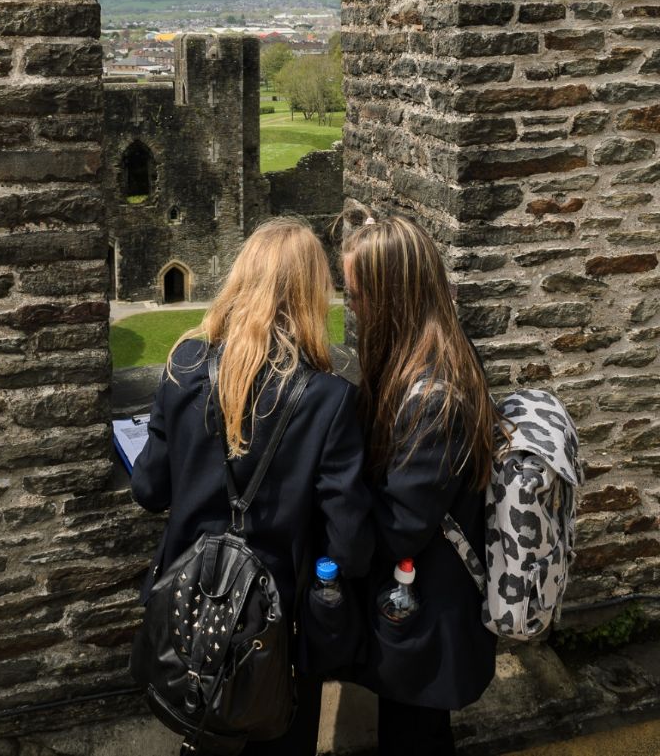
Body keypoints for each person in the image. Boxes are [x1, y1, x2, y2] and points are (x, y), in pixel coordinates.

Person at [131, 216, 375, 756]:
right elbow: (350, 541)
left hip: (190, 609)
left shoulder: (185, 365)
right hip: (279, 627)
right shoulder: (329, 399)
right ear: (313, 293)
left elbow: (149, 489)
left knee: (202, 737)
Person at [343, 212, 498, 756]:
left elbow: (401, 528)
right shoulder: (430, 358)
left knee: (416, 739)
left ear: (390, 299)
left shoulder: (433, 394)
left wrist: (334, 509)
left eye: (358, 296)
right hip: (423, 610)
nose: (353, 308)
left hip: (429, 617)